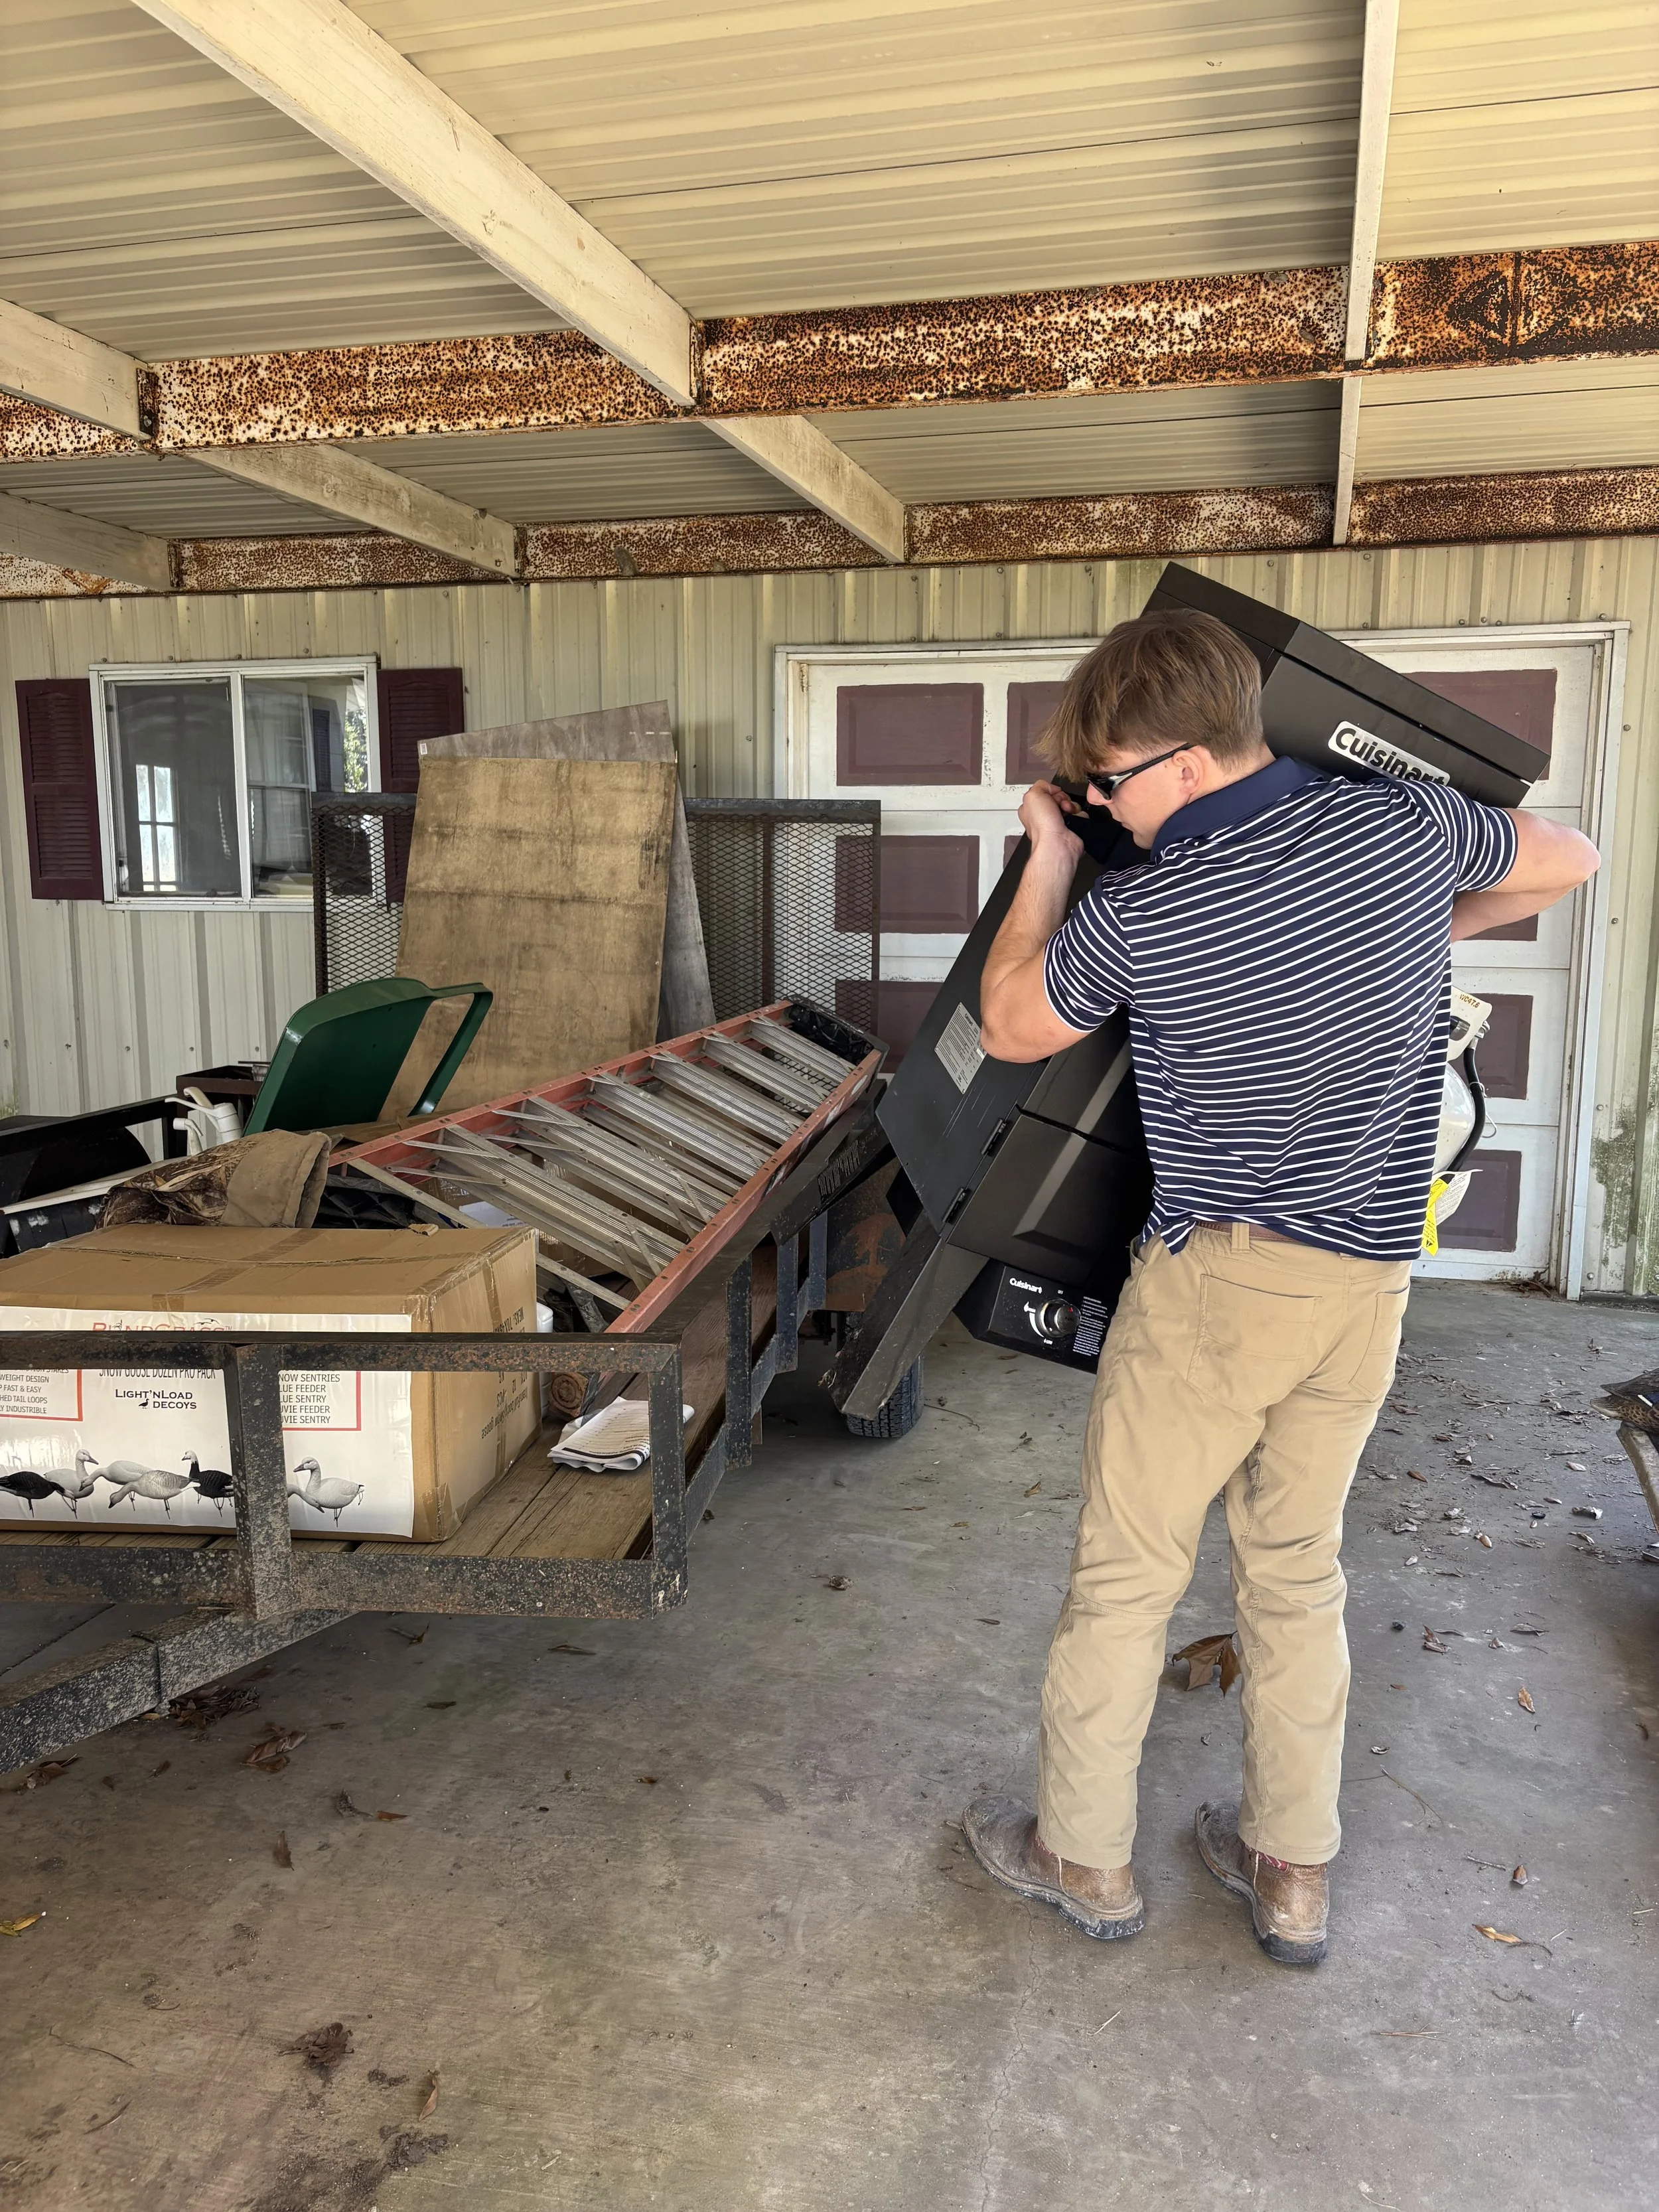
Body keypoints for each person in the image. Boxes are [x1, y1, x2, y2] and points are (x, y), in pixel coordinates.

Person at [960, 607, 1599, 1966]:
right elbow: (1570, 857)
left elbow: (1008, 1021)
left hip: (1215, 1288)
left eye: (1109, 781)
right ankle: (1288, 1872)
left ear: (1184, 761)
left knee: (1127, 1576)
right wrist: (1406, 943)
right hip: (1365, 1290)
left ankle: (1080, 1853)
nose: (1102, 804)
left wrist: (1046, 856)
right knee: (1294, 1573)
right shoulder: (1404, 832)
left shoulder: (1151, 905)